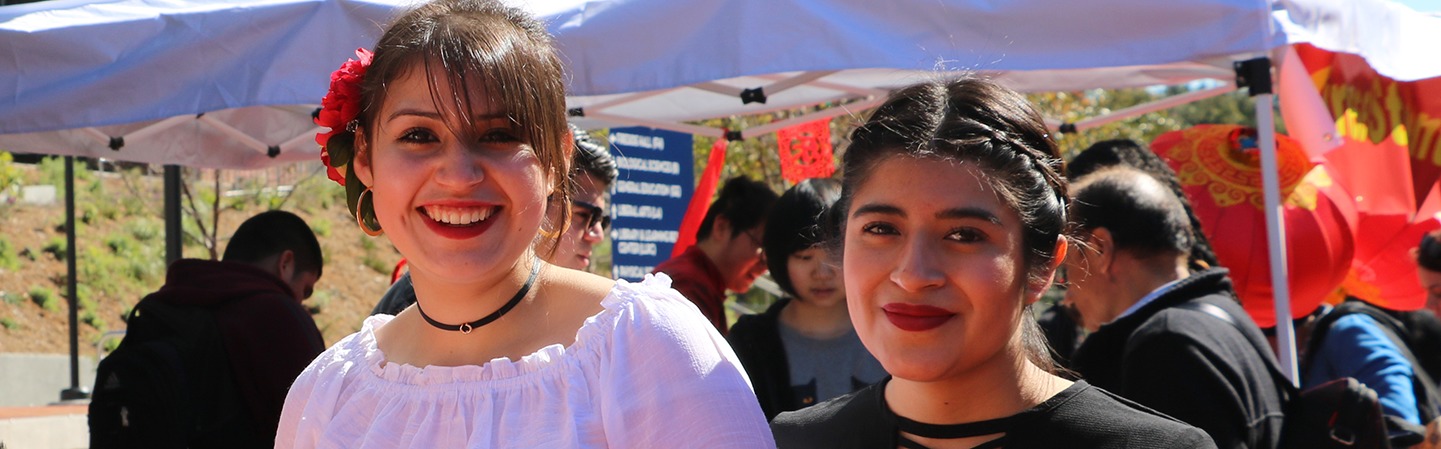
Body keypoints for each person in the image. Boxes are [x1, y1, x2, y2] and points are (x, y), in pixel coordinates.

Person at [277, 1, 772, 447]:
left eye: (498, 134)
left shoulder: (643, 348)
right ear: (365, 159)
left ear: (557, 158)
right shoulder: (328, 396)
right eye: (418, 135)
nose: (458, 175)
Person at [770, 77, 1214, 449]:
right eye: (882, 229)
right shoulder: (792, 442)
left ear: (1041, 266)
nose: (912, 274)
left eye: (964, 235)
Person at [1062, 166, 1286, 449]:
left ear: (1100, 249)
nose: (1068, 295)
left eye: (1067, 268)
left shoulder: (1165, 344)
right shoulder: (1223, 314)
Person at [91, 210, 325, 447]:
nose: (301, 301)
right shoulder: (280, 318)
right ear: (285, 264)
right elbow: (322, 426)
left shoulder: (165, 304)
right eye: (304, 289)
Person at [369, 123, 619, 316]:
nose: (596, 235)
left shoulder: (611, 327)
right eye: (586, 215)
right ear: (540, 193)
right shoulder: (425, 303)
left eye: (602, 221)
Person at [727, 178, 886, 420]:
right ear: (779, 259)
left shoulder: (891, 330)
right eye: (804, 257)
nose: (822, 273)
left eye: (834, 255)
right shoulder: (752, 343)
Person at [652, 176, 778, 335]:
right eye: (761, 248)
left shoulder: (702, 284)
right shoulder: (687, 286)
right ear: (722, 227)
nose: (765, 266)